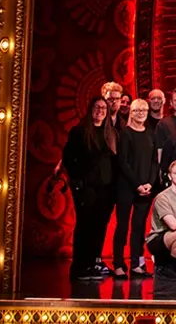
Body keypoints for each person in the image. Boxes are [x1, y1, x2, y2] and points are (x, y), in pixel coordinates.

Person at [63, 97, 118, 280]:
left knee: (99, 226)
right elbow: (69, 159)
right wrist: (77, 183)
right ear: (90, 110)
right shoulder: (79, 132)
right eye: (96, 107)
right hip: (86, 186)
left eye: (103, 108)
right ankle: (80, 265)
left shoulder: (111, 134)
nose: (100, 111)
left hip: (106, 188)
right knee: (84, 225)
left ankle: (94, 262)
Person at [114, 97, 160, 277]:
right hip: (127, 187)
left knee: (139, 227)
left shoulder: (150, 133)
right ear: (131, 112)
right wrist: (137, 184)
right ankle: (118, 264)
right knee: (122, 226)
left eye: (143, 111)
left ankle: (136, 264)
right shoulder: (125, 133)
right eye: (137, 111)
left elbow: (154, 162)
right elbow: (123, 162)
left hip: (146, 188)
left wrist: (149, 183)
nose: (140, 114)